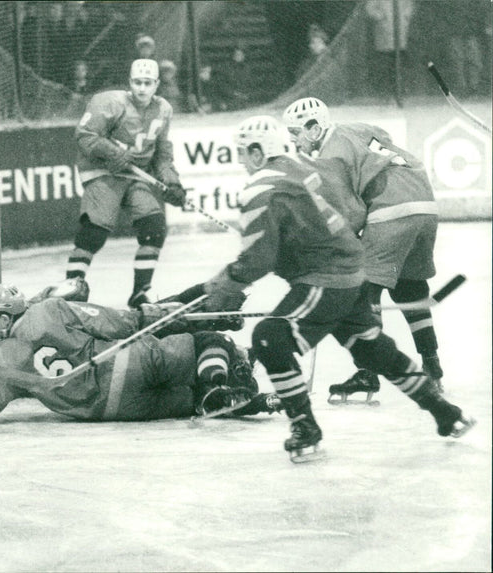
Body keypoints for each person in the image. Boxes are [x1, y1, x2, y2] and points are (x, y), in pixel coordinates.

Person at [171, 115, 473, 462]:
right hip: (352, 272)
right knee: (373, 351)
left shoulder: (261, 188)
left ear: (257, 152)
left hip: (324, 279)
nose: (241, 161)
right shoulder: (306, 168)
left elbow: (257, 261)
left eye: (243, 153)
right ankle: (447, 413)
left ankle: (305, 426)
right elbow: (344, 213)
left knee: (270, 337)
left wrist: (217, 286)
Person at [0, 281, 276, 424]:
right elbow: (122, 323)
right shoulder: (49, 310)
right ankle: (222, 383)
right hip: (132, 365)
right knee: (211, 342)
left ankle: (222, 396)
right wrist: (187, 316)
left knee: (192, 399)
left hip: (112, 411)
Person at [282, 97, 447, 394]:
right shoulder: (357, 128)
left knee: (363, 292)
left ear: (314, 128)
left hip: (391, 212)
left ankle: (368, 372)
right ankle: (432, 364)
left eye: (296, 133)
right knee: (410, 287)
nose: (293, 141)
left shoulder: (328, 158)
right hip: (425, 205)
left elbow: (352, 215)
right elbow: (385, 144)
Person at [64, 58, 187, 308]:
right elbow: (85, 135)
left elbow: (162, 153)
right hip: (102, 171)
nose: (142, 88)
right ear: (130, 83)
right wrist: (113, 153)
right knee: (95, 232)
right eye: (138, 83)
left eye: (148, 83)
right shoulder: (110, 102)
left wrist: (173, 183)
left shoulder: (163, 110)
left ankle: (140, 292)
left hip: (135, 174)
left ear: (157, 85)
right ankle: (72, 287)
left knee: (154, 226)